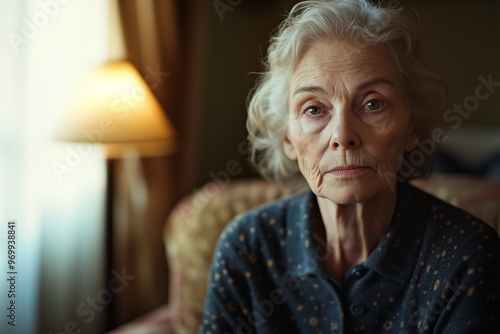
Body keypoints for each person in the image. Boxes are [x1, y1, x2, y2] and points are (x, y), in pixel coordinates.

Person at [199, 0, 500, 333]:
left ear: (412, 128)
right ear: (287, 138)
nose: (342, 136)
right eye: (314, 109)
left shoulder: (464, 254)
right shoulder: (247, 247)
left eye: (373, 104)